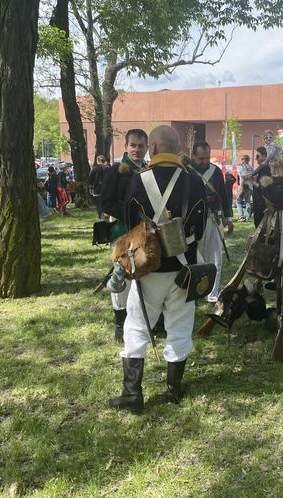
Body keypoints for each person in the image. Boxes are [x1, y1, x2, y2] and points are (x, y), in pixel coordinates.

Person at [109, 125, 206, 413]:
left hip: (148, 270)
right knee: (180, 327)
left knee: (137, 327)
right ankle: (174, 390)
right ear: (176, 150)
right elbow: (200, 228)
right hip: (184, 267)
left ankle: (132, 394)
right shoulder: (195, 182)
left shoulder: (140, 181)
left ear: (152, 148)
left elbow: (130, 223)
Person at [100, 129, 149, 343]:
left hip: (145, 233)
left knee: (144, 273)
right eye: (133, 145)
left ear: (147, 147)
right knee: (121, 278)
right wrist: (133, 216)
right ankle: (120, 323)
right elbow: (106, 203)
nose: (137, 149)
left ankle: (140, 321)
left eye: (141, 145)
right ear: (126, 147)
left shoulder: (149, 170)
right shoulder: (116, 171)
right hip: (122, 232)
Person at [189, 141, 234, 303]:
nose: (205, 161)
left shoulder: (215, 172)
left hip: (212, 218)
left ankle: (212, 294)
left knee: (215, 258)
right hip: (193, 221)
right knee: (194, 258)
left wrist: (228, 218)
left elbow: (223, 195)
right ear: (193, 156)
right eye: (201, 158)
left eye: (207, 157)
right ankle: (194, 292)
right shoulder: (186, 172)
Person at [251, 146, 271, 227]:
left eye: (257, 156)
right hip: (259, 201)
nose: (256, 159)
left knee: (260, 224)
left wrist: (252, 181)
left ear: (264, 156)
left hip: (261, 202)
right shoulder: (262, 168)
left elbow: (263, 187)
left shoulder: (265, 168)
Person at [236, 155, 254, 221]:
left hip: (243, 185)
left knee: (238, 201)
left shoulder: (241, 167)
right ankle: (248, 217)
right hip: (250, 186)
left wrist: (241, 186)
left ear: (243, 160)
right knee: (248, 201)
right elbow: (253, 176)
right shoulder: (251, 168)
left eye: (242, 159)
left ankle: (241, 216)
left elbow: (242, 177)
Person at [90, 155, 108, 219]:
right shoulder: (108, 168)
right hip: (107, 188)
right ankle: (105, 214)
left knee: (98, 203)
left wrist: (91, 184)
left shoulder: (94, 168)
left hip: (97, 188)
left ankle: (100, 215)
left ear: (98, 161)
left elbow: (91, 178)